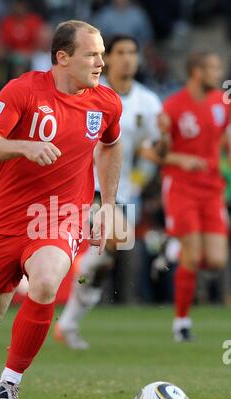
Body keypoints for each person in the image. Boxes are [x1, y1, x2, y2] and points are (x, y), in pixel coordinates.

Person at [0, 20, 123, 399]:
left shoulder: (106, 103)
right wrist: (23, 146)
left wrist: (108, 203)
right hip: (5, 218)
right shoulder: (23, 91)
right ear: (62, 57)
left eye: (102, 53)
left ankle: (11, 382)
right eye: (92, 54)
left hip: (59, 215)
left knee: (47, 281)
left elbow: (111, 143)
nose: (101, 62)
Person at [54, 35, 162, 349]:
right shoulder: (89, 93)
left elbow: (152, 151)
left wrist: (144, 175)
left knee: (102, 263)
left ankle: (68, 323)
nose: (127, 58)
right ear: (107, 58)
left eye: (132, 52)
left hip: (125, 192)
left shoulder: (147, 101)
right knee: (112, 241)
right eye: (120, 52)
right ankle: (76, 267)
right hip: (88, 188)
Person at [160, 52, 230, 341]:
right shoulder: (173, 106)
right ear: (196, 72)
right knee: (193, 255)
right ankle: (181, 323)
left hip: (212, 188)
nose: (219, 73)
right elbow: (160, 153)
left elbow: (225, 140)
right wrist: (180, 159)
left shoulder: (221, 104)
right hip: (181, 186)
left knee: (215, 259)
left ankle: (173, 250)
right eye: (213, 68)